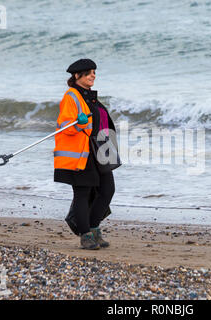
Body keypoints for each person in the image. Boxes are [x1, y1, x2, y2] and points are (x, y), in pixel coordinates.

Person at [54, 58, 117, 250]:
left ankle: (93, 226)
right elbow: (65, 125)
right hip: (80, 153)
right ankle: (86, 235)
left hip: (98, 150)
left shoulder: (89, 96)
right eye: (89, 73)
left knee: (107, 190)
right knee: (82, 193)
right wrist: (79, 122)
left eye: (94, 73)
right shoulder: (71, 96)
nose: (93, 76)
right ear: (77, 75)